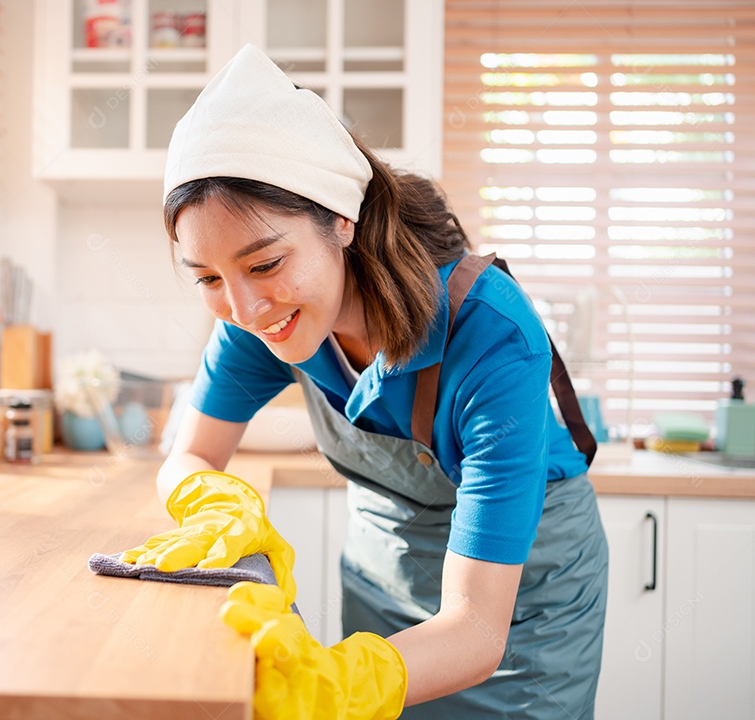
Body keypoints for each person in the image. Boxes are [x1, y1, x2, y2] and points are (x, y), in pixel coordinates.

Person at [122, 44, 608, 719]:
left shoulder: (491, 334)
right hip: (385, 567)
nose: (242, 309)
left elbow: (473, 630)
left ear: (341, 218)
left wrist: (336, 683)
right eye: (207, 277)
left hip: (521, 607)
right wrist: (213, 503)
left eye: (264, 263)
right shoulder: (257, 318)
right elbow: (192, 453)